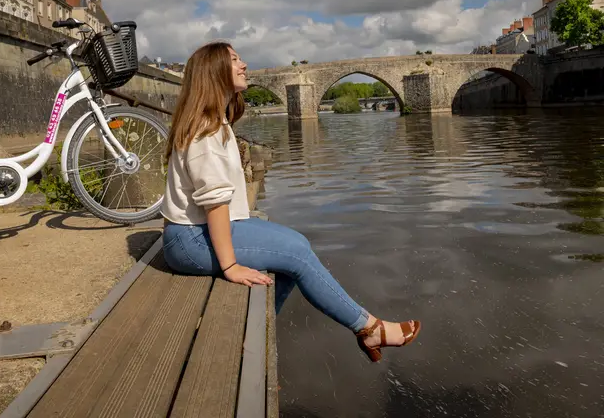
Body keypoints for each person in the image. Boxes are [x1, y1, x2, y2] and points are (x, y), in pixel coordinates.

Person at [161, 42, 421, 362]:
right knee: (295, 253)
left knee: (295, 248)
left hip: (199, 232)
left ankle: (256, 341)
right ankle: (370, 329)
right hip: (190, 241)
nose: (244, 65)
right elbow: (214, 204)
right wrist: (230, 266)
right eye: (234, 60)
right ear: (213, 73)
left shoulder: (217, 122)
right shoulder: (206, 130)